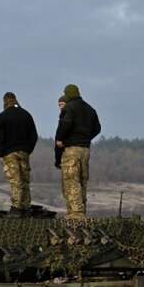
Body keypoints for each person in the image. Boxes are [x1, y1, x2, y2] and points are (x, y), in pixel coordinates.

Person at [55, 84, 101, 219]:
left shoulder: (69, 107)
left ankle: (75, 213)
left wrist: (60, 138)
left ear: (68, 94)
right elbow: (97, 128)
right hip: (85, 149)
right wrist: (86, 138)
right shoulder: (90, 109)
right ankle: (81, 210)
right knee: (82, 181)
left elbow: (65, 124)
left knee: (71, 180)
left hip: (71, 149)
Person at [0, 92, 38, 216]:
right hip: (24, 152)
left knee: (15, 181)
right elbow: (34, 135)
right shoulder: (26, 114)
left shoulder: (2, 116)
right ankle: (26, 207)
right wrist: (28, 150)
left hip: (9, 154)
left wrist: (1, 152)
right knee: (25, 180)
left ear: (5, 102)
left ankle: (16, 208)